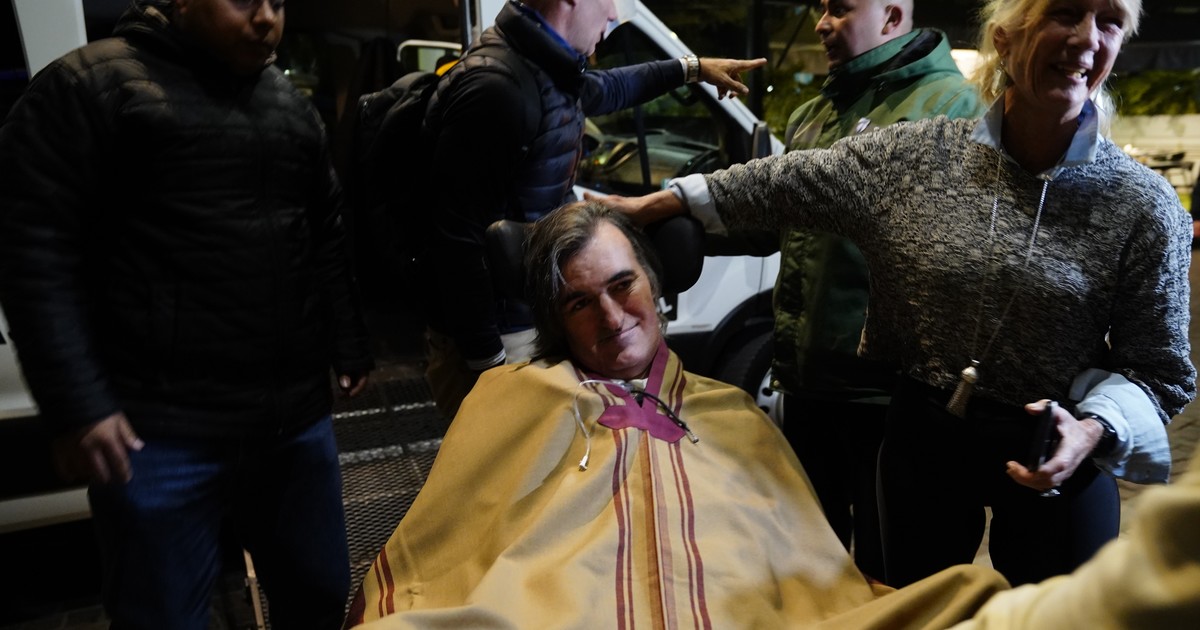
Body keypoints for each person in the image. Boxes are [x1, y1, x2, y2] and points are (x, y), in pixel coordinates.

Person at [599, 0, 1195, 589]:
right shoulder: (917, 157)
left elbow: (1160, 371)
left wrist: (1093, 429)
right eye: (1065, 13)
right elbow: (780, 182)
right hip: (924, 437)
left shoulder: (1141, 204)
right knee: (912, 609)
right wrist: (655, 204)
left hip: (1057, 451)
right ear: (1005, 40)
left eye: (1110, 21)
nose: (1088, 37)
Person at [342, 201, 1009, 629]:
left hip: (742, 610)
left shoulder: (733, 410)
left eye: (622, 285)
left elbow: (803, 555)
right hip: (554, 611)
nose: (611, 317)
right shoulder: (510, 395)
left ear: (654, 283)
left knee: (978, 595)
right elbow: (444, 545)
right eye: (579, 304)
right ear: (557, 321)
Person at [0, 1, 373, 628]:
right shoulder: (90, 87)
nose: (267, 18)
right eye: (244, 0)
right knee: (162, 616)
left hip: (290, 424)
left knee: (318, 592)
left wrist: (349, 338)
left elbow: (324, 233)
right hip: (161, 433)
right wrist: (78, 402)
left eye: (278, 2)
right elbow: (33, 248)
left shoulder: (287, 106)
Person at [419, 0, 766, 419]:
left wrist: (692, 69)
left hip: (535, 318)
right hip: (505, 335)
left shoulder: (544, 67)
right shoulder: (496, 88)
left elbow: (610, 88)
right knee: (511, 458)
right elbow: (455, 241)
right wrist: (488, 367)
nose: (614, 15)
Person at [768, 0, 985, 580]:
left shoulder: (952, 106)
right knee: (809, 574)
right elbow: (777, 222)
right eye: (820, 8)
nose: (821, 23)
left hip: (891, 398)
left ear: (891, 18)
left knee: (893, 577)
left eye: (840, 8)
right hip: (809, 384)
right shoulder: (812, 113)